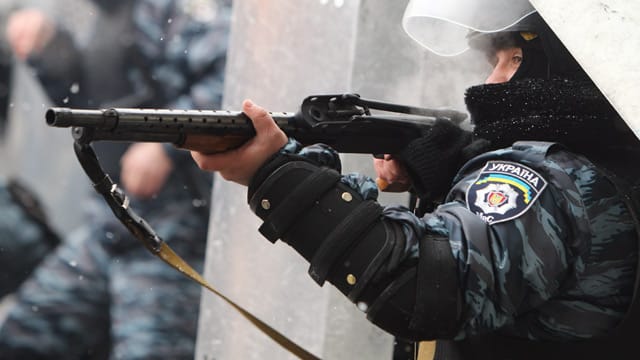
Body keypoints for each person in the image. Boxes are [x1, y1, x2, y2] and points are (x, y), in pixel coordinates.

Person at [190, 0, 640, 359]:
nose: (492, 81)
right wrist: (450, 182)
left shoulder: (551, 180)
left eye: (516, 57)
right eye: (495, 59)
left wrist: (276, 174)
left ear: (573, 67)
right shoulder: (602, 167)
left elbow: (425, 289)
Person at [0, 0, 231, 358]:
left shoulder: (167, 9)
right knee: (23, 338)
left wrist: (166, 143)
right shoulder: (92, 15)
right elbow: (86, 104)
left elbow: (232, 78)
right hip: (108, 223)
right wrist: (49, 51)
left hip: (171, 234)